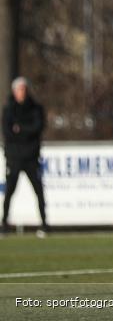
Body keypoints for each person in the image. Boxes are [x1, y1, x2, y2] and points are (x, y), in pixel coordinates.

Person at [2, 77, 49, 237]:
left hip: (31, 157)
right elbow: (8, 132)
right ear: (14, 92)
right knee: (9, 191)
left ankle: (44, 224)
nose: (22, 92)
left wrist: (20, 129)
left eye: (24, 89)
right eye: (19, 89)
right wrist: (26, 131)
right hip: (14, 158)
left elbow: (38, 128)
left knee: (39, 191)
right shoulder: (9, 110)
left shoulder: (35, 109)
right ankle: (4, 224)